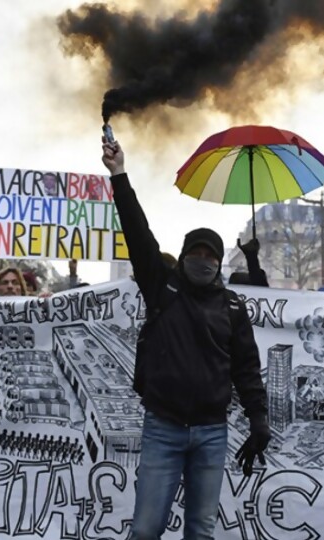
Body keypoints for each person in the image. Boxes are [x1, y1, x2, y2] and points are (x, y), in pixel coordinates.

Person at [102, 137, 269, 540]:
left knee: (200, 530)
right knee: (145, 529)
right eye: (196, 253)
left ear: (218, 262)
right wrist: (119, 175)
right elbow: (138, 234)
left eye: (211, 256)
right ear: (183, 256)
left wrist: (259, 419)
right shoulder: (162, 288)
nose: (204, 261)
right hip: (164, 427)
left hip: (212, 433)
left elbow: (246, 368)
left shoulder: (231, 306)